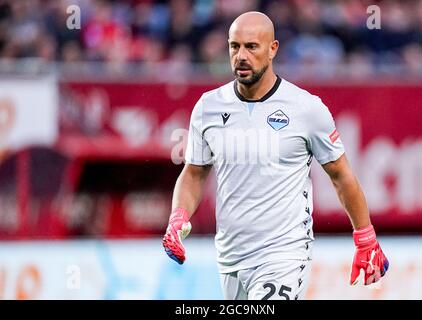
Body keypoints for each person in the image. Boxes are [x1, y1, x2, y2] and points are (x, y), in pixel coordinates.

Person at [162, 11, 389, 300]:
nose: (241, 56)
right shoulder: (208, 107)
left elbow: (341, 175)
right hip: (230, 257)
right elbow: (194, 173)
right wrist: (177, 216)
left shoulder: (306, 108)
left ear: (273, 49)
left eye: (251, 46)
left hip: (285, 255)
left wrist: (365, 237)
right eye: (234, 46)